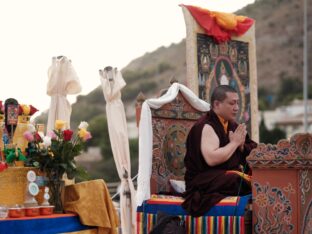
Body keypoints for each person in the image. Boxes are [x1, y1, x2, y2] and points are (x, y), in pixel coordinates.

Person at [181, 85, 257, 217]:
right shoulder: (206, 126)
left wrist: (242, 146)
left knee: (257, 178)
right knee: (236, 181)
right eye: (232, 103)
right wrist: (234, 143)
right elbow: (212, 159)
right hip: (202, 179)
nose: (236, 108)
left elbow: (253, 149)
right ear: (217, 104)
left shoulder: (232, 125)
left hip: (224, 175)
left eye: (237, 103)